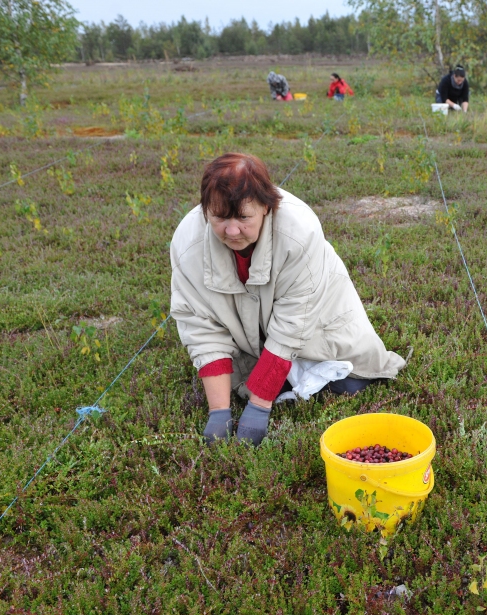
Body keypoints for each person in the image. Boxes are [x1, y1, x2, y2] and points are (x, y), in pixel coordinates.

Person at [170, 153, 406, 445]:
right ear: (205, 210)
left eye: (244, 217)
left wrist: (258, 408)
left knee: (350, 382)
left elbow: (293, 324)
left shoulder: (299, 232)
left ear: (267, 208)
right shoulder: (187, 244)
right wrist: (218, 412)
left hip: (319, 317)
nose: (231, 231)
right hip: (250, 335)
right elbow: (200, 326)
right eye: (219, 217)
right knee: (248, 386)